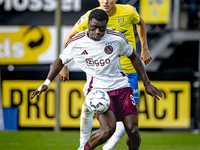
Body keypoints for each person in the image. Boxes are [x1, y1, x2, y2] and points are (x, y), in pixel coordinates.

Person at [30, 9, 163, 150]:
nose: (98, 32)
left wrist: (147, 83)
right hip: (100, 92)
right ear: (88, 25)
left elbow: (134, 57)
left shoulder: (117, 38)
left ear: (106, 25)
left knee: (133, 130)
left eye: (102, 28)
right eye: (94, 28)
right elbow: (60, 60)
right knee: (107, 130)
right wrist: (46, 83)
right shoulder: (77, 42)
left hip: (122, 88)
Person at [59, 1, 152, 149]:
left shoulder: (128, 11)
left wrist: (144, 48)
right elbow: (70, 36)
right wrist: (64, 65)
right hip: (102, 71)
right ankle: (83, 144)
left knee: (130, 123)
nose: (105, 1)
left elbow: (140, 22)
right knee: (88, 105)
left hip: (128, 72)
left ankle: (108, 147)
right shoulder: (91, 16)